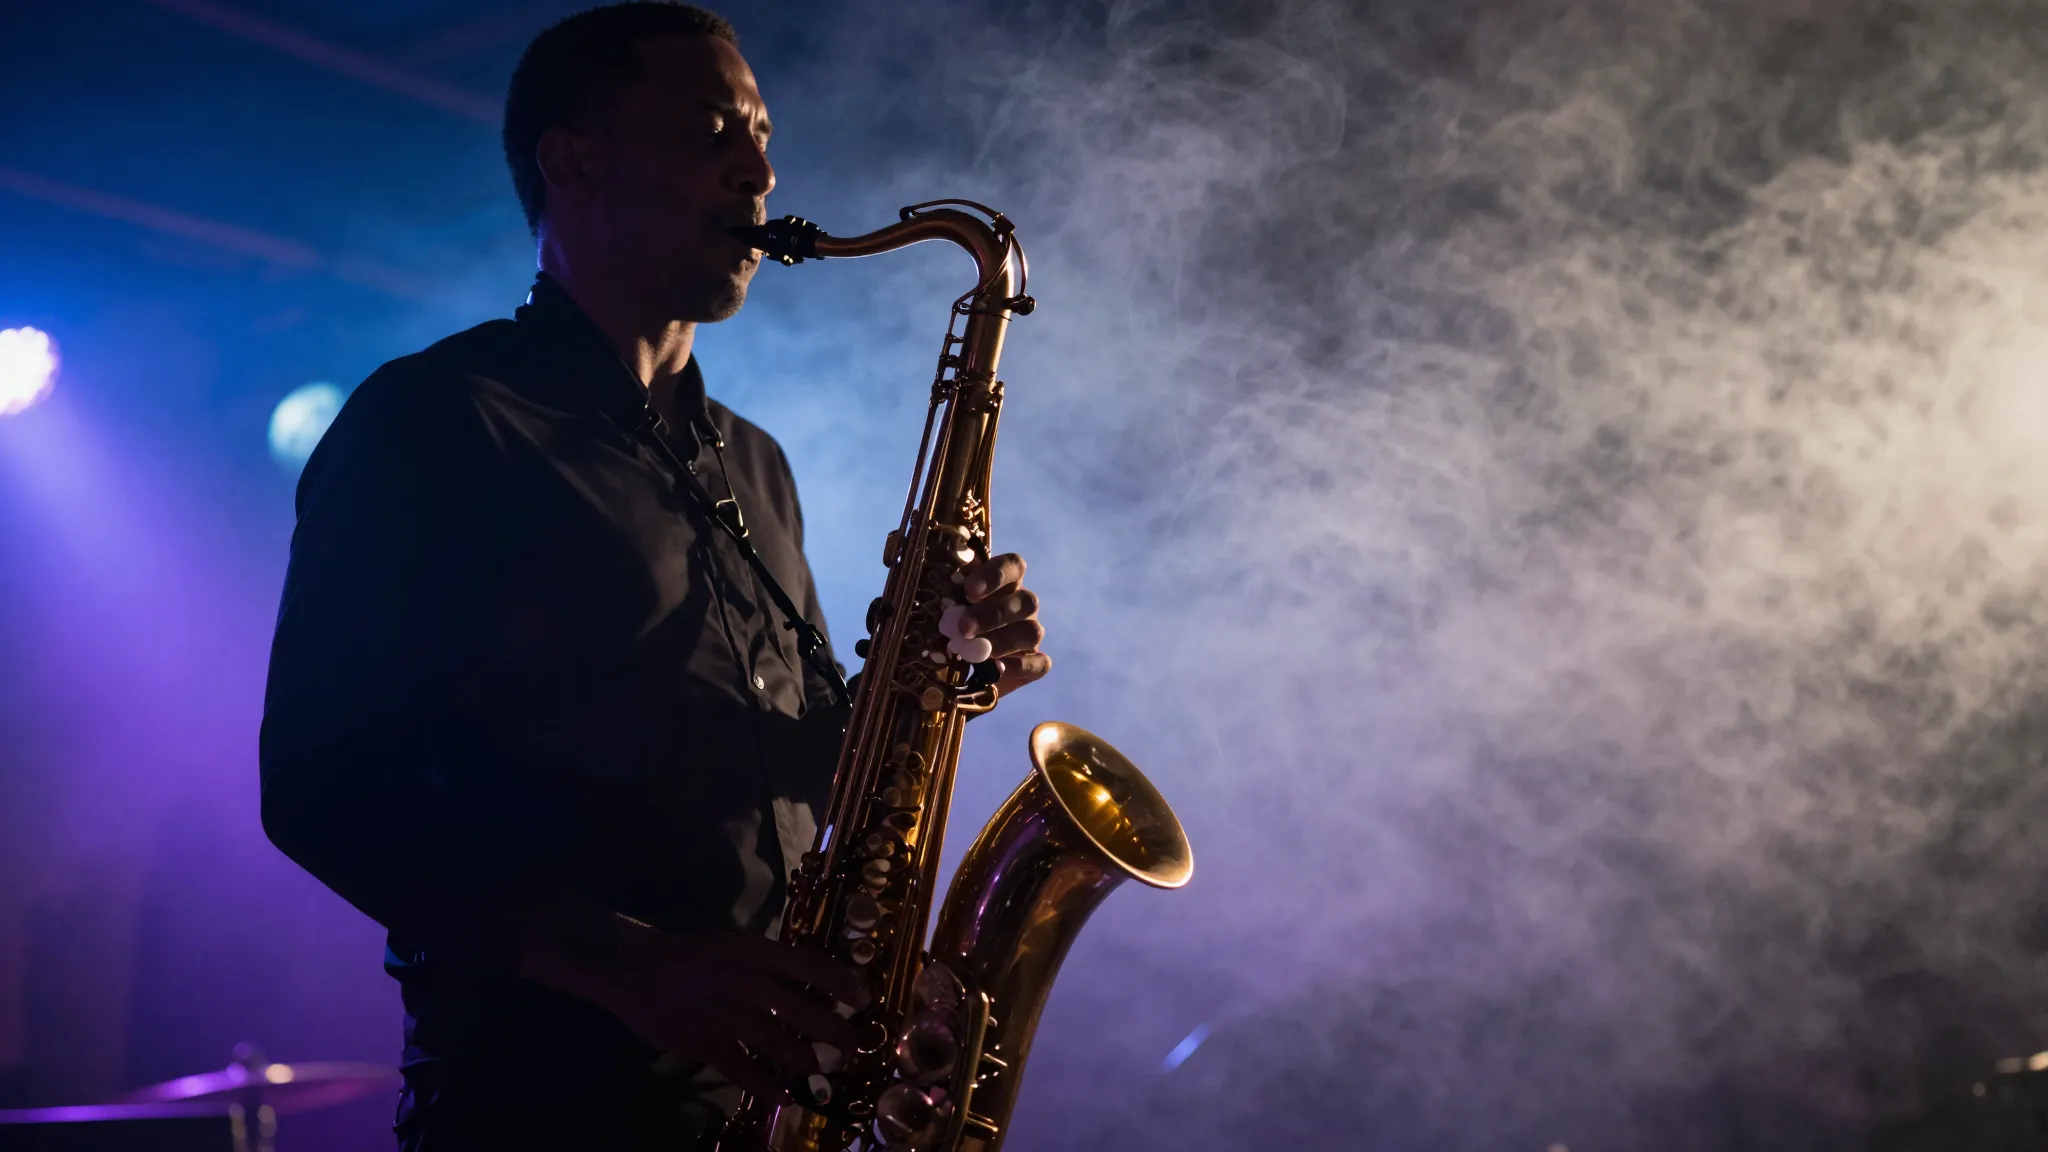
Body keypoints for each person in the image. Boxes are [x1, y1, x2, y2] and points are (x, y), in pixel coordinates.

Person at [256, 4, 1051, 1148]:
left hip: (768, 1105)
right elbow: (322, 788)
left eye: (762, 136)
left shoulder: (756, 463)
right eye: (710, 130)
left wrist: (933, 677)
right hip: (541, 1111)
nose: (759, 172)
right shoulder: (437, 421)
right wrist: (627, 965)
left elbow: (805, 772)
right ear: (573, 162)